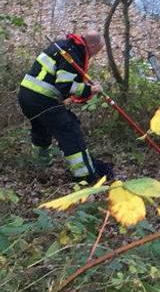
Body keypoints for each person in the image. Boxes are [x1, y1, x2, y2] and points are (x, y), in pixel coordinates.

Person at [18, 31, 114, 184]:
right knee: (70, 131)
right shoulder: (74, 54)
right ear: (92, 45)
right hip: (42, 99)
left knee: (41, 129)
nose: (97, 54)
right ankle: (85, 177)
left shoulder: (63, 45)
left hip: (26, 96)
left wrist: (82, 89)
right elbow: (65, 86)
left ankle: (40, 167)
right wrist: (91, 90)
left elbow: (59, 80)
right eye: (99, 50)